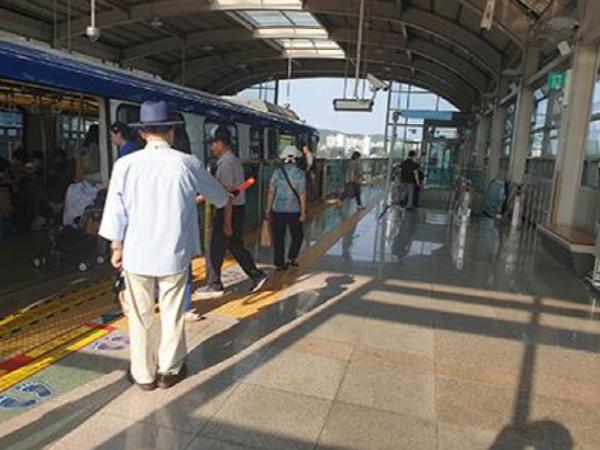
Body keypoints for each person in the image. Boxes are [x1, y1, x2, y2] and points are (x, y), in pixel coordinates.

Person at [99, 101, 229, 391]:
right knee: (172, 314)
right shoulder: (187, 163)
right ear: (171, 130)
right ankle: (169, 371)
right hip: (174, 255)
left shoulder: (125, 165)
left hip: (136, 255)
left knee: (139, 316)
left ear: (141, 132)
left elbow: (116, 212)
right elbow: (220, 198)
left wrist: (116, 248)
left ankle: (143, 375)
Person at [195, 125, 268, 299]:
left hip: (228, 211)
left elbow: (227, 196)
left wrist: (227, 223)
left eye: (213, 144)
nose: (211, 148)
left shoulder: (226, 163)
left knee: (214, 249)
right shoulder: (233, 160)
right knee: (235, 246)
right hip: (236, 209)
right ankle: (257, 275)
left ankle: (214, 285)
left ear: (220, 144)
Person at [266, 145, 307, 271]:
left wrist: (268, 209)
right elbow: (302, 193)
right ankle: (291, 257)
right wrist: (303, 211)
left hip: (277, 209)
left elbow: (271, 192)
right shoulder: (300, 173)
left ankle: (279, 263)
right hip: (294, 210)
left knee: (279, 237)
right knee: (298, 235)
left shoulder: (277, 172)